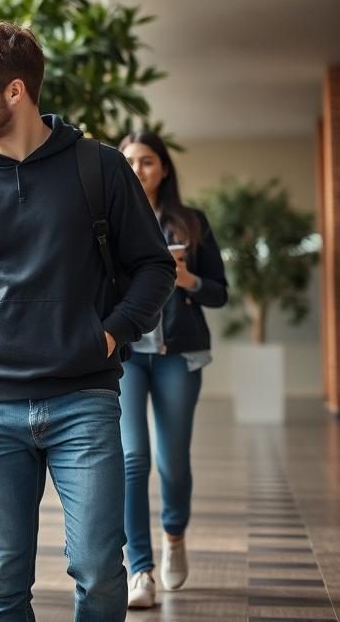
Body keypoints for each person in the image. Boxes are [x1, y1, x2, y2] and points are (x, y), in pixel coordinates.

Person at [0, 21, 176, 622]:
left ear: (16, 91)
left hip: (85, 399)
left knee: (101, 571)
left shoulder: (100, 168)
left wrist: (112, 331)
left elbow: (154, 267)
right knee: (1, 586)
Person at [117, 130, 228, 609]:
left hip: (178, 354)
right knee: (131, 460)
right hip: (125, 354)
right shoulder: (109, 220)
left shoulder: (192, 222)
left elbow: (219, 293)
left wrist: (188, 279)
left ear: (163, 168)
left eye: (147, 161)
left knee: (172, 461)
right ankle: (139, 568)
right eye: (130, 161)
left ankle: (175, 534)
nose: (139, 169)